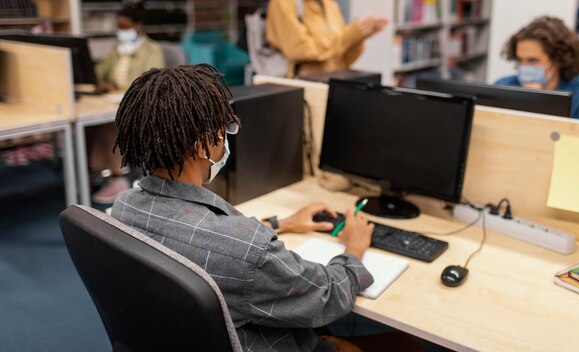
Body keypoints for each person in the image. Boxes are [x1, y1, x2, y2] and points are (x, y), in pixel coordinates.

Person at [110, 64, 421, 351]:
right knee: (407, 344)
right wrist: (354, 250)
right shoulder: (249, 251)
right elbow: (327, 296)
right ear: (204, 145)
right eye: (224, 130)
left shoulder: (124, 209)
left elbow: (195, 237)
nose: (226, 140)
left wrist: (279, 223)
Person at [89, 1, 165, 204]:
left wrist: (123, 91)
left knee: (110, 123)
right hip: (111, 100)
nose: (120, 31)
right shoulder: (117, 49)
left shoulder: (152, 50)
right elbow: (98, 73)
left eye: (124, 27)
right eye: (118, 27)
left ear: (137, 25)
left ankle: (118, 177)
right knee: (89, 124)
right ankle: (90, 170)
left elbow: (151, 83)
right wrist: (103, 82)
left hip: (140, 106)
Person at [495, 16, 579, 122]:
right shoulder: (503, 86)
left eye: (532, 61)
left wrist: (538, 103)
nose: (524, 67)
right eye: (520, 60)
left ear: (558, 60)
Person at [266, 0, 388, 78]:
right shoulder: (283, 3)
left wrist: (358, 37)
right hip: (307, 90)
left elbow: (342, 59)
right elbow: (299, 49)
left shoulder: (331, 5)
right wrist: (349, 35)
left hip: (336, 85)